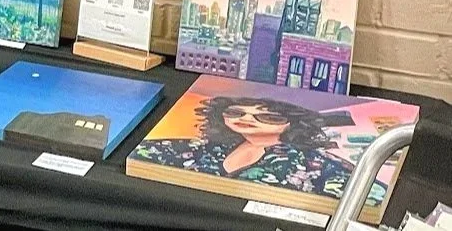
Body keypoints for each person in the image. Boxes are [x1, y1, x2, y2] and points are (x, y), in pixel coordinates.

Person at [130, 95, 357, 201]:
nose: (247, 119)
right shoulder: (207, 147)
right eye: (236, 113)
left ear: (293, 124)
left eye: (267, 116)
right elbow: (147, 153)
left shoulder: (315, 162)